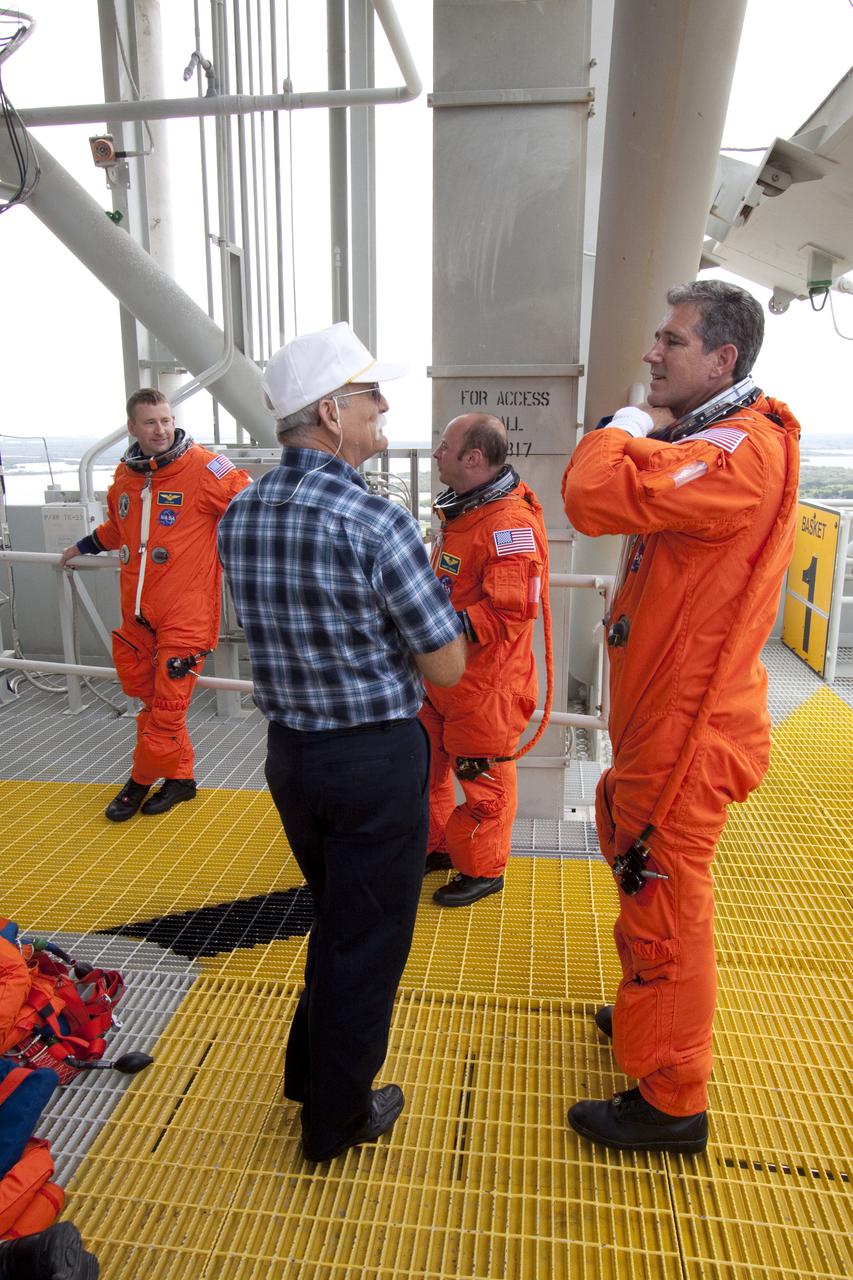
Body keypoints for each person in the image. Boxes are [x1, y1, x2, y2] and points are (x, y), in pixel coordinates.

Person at [217, 321, 466, 1163]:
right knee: (369, 941)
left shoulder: (241, 511)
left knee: (338, 920)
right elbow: (445, 665)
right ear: (330, 412)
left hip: (291, 759)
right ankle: (336, 1120)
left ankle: (309, 1075)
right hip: (372, 763)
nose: (383, 405)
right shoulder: (377, 522)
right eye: (369, 395)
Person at [562, 279, 800, 1154]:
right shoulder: (714, 439)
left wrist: (622, 426)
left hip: (687, 728)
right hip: (665, 714)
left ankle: (671, 1101)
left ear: (723, 360)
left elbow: (589, 496)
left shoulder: (735, 452)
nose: (653, 354)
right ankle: (647, 1016)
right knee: (642, 874)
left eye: (671, 341)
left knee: (664, 896)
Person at [59, 389, 251, 821]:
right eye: (150, 422)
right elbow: (119, 529)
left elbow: (250, 507)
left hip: (187, 613)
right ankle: (181, 779)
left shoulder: (205, 468)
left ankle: (138, 783)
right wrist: (81, 546)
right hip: (139, 614)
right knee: (151, 702)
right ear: (133, 428)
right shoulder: (127, 478)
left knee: (166, 709)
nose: (161, 429)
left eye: (166, 420)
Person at [420, 413, 549, 908]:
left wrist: (432, 628)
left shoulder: (508, 525)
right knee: (426, 774)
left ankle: (481, 870)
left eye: (444, 446)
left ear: (473, 459)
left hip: (486, 688)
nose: (436, 454)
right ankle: (436, 847)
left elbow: (509, 613)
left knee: (483, 788)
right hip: (444, 678)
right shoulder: (467, 515)